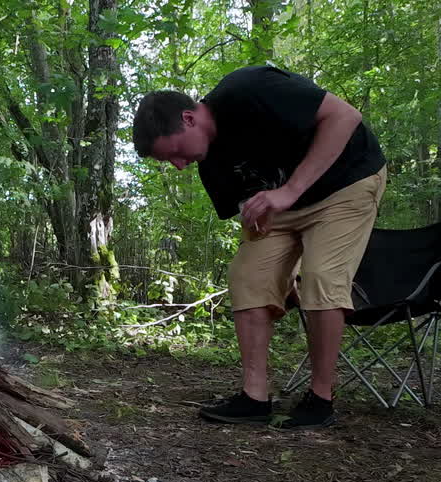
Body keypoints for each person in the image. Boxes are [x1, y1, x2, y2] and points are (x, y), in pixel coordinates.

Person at [131, 65, 386, 428]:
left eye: (174, 153)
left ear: (189, 119)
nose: (179, 166)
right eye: (169, 161)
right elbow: (251, 212)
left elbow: (345, 116)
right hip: (286, 206)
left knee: (321, 277)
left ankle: (320, 399)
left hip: (347, 182)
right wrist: (271, 255)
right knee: (248, 276)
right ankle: (254, 397)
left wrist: (290, 191)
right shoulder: (210, 164)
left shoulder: (247, 90)